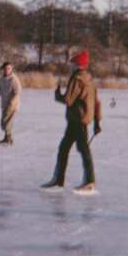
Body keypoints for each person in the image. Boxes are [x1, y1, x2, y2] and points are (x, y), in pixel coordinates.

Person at [40, 50, 102, 193]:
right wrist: (97, 123)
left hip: (77, 121)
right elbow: (97, 103)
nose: (71, 66)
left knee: (82, 150)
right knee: (65, 148)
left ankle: (89, 181)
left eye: (73, 64)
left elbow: (68, 100)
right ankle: (58, 180)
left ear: (77, 65)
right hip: (81, 120)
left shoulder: (76, 78)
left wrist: (57, 95)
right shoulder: (90, 80)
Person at [0, 62, 22, 145]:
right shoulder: (2, 78)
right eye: (5, 69)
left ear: (11, 69)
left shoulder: (14, 79)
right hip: (4, 103)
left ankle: (8, 138)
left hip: (12, 105)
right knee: (3, 122)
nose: (6, 70)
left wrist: (12, 102)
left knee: (7, 121)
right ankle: (7, 137)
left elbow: (18, 92)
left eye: (8, 69)